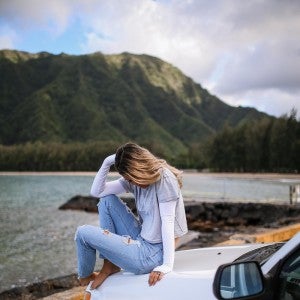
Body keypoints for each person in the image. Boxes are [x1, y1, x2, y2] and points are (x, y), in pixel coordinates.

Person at [75, 142, 188, 290]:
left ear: (140, 169)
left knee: (83, 233)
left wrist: (166, 266)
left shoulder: (164, 179)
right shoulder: (135, 181)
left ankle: (85, 277)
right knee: (106, 201)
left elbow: (168, 223)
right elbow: (98, 192)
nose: (130, 183)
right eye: (128, 179)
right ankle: (110, 265)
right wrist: (107, 162)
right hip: (143, 238)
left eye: (131, 178)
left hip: (153, 255)